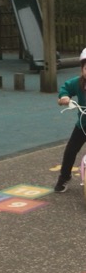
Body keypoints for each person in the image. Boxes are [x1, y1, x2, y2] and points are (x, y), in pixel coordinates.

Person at [54, 48, 86, 192]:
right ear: (82, 69)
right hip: (82, 126)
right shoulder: (78, 83)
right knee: (70, 151)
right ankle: (64, 177)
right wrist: (64, 97)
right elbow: (65, 88)